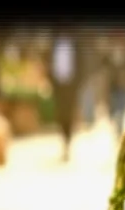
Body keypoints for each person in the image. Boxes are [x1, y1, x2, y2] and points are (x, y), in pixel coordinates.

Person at [46, 28, 83, 162]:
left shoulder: (75, 45)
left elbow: (81, 66)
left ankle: (68, 141)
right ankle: (64, 138)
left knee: (69, 114)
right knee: (61, 115)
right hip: (59, 86)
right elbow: (49, 65)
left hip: (71, 86)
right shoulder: (54, 45)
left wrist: (78, 83)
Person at [103, 32, 125, 141]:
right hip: (113, 87)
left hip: (124, 86)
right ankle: (116, 125)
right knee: (114, 109)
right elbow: (105, 67)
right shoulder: (109, 52)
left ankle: (119, 130)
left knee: (122, 110)